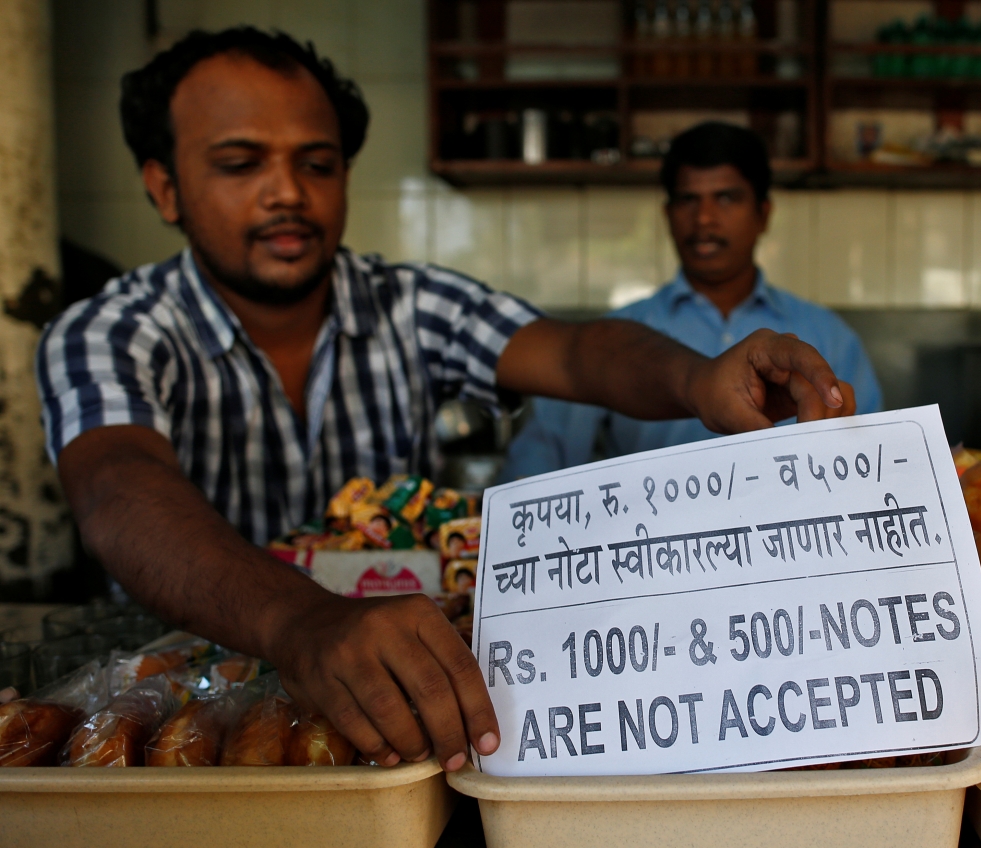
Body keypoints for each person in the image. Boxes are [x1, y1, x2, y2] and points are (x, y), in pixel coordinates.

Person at [36, 30, 854, 776]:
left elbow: (570, 349)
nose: (287, 193)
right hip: (162, 716)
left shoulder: (409, 303)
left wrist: (697, 380)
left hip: (399, 716)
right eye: (240, 163)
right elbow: (118, 489)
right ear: (165, 186)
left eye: (316, 164)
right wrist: (302, 621)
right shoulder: (108, 330)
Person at [504, 122, 881, 480]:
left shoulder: (828, 337)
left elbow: (874, 463)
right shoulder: (617, 341)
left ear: (763, 214)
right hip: (648, 546)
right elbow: (538, 462)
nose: (703, 218)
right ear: (667, 216)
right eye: (688, 200)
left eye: (726, 198)